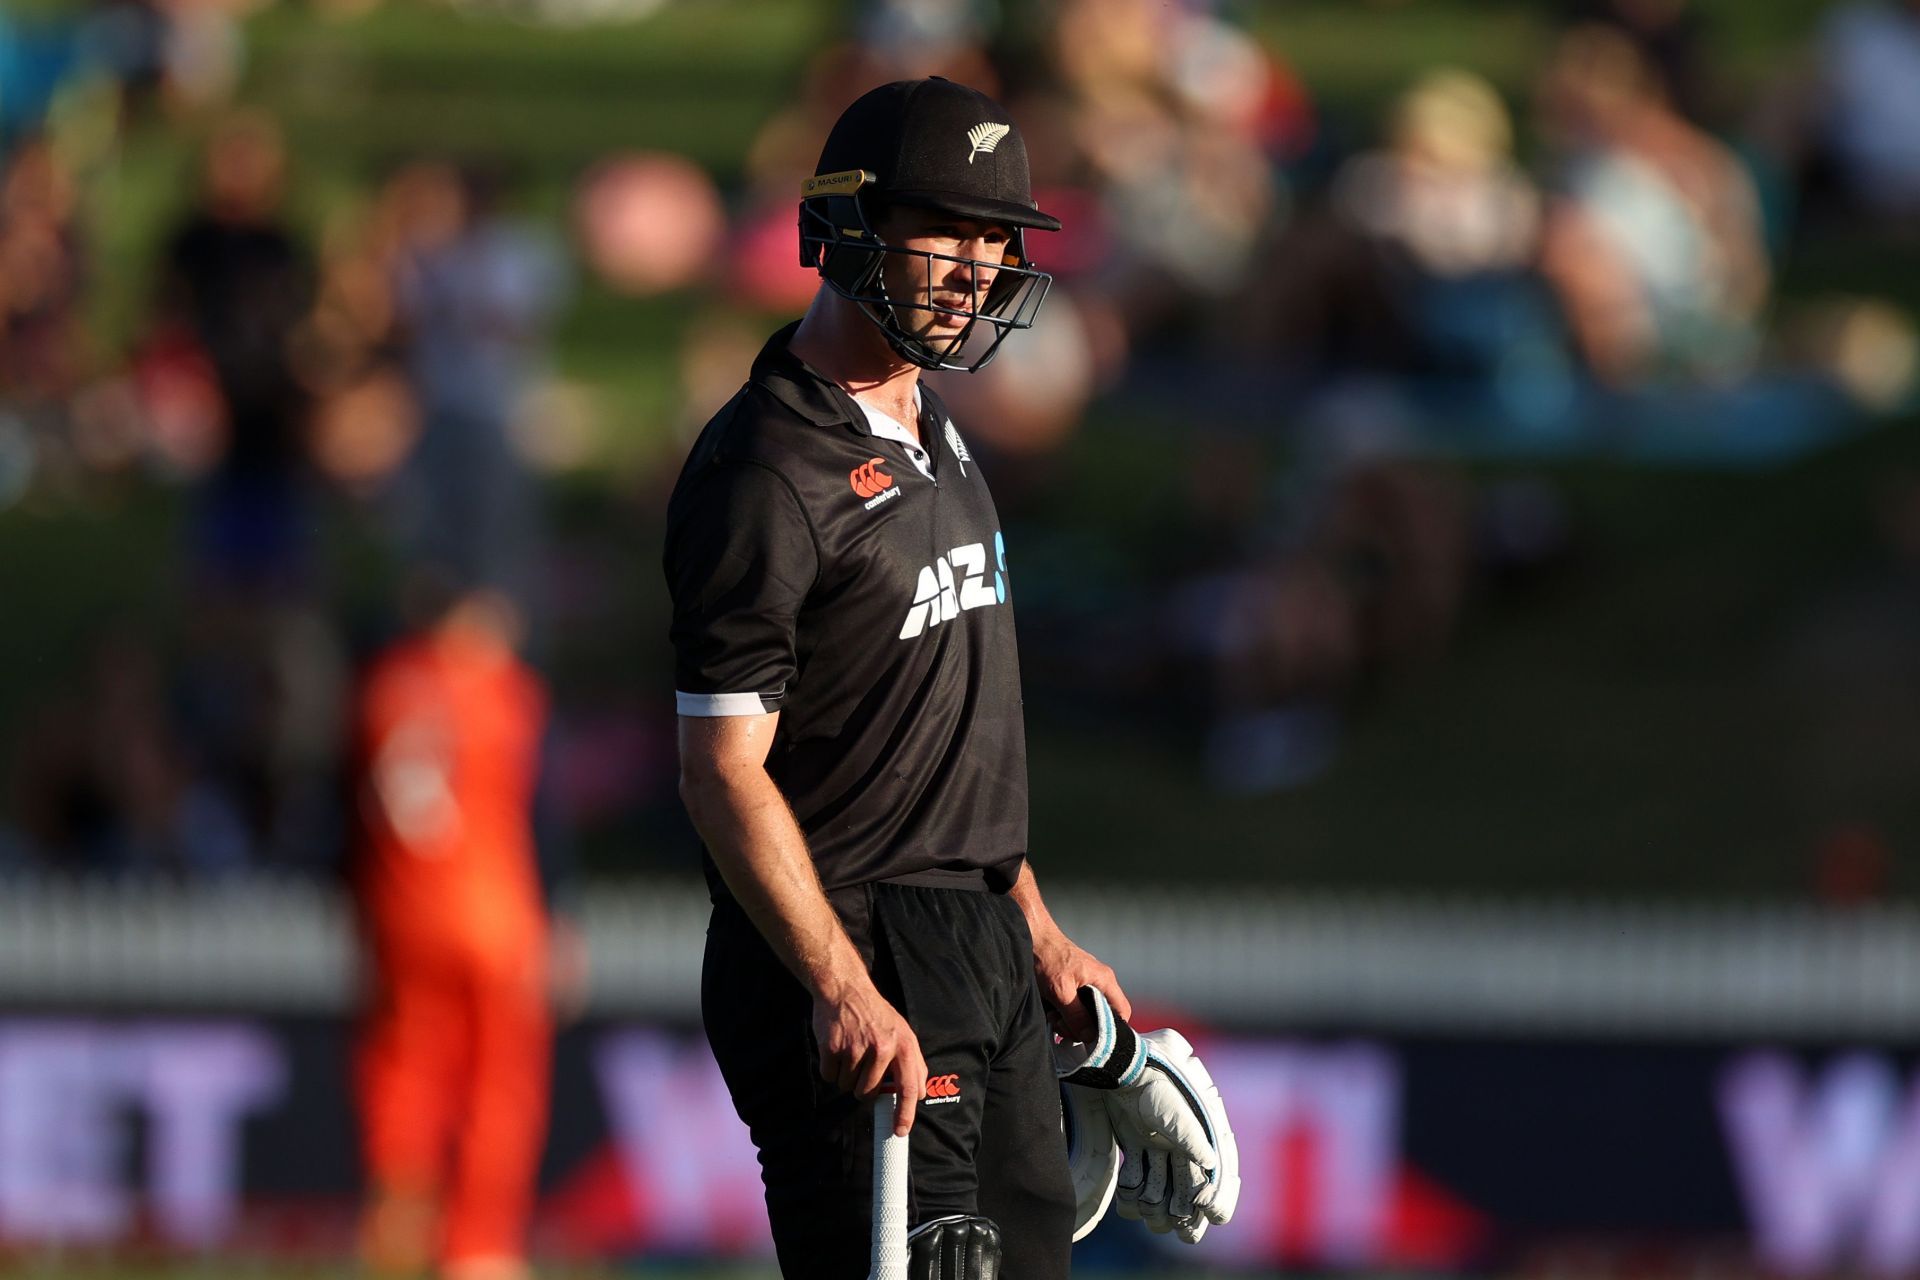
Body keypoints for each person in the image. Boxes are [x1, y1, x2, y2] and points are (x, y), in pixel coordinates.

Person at [664, 77, 1134, 1280]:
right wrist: (836, 979)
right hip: (856, 953)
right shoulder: (768, 470)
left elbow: (946, 735)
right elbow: (722, 768)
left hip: (977, 942)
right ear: (845, 227)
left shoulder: (935, 426)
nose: (979, 265)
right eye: (948, 228)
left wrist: (1034, 927)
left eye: (997, 236)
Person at [348, 575, 571, 1280]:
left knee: (403, 1073)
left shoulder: (383, 687)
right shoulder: (504, 691)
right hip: (492, 916)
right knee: (497, 1087)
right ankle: (479, 1249)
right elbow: (541, 813)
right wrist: (559, 913)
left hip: (399, 914)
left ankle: (398, 1223)